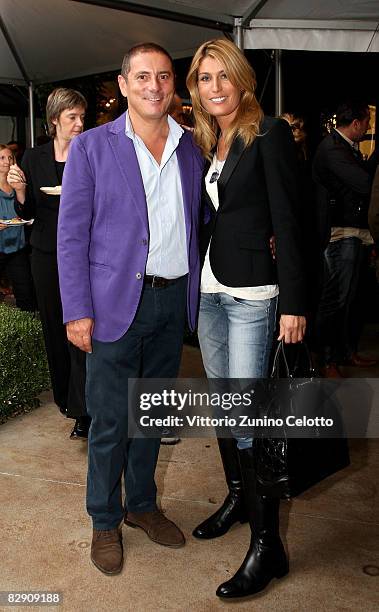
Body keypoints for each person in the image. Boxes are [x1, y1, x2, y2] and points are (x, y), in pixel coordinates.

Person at [57, 43, 203, 576]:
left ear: (173, 85)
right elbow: (70, 237)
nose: (154, 86)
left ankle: (142, 505)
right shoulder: (93, 148)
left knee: (154, 416)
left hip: (172, 301)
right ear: (122, 85)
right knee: (111, 420)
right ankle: (104, 518)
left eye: (164, 76)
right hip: (113, 305)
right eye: (142, 76)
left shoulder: (192, 147)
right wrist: (77, 310)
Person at [186, 39, 306, 599]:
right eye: (204, 79)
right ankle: (238, 498)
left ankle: (268, 546)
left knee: (254, 419)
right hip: (211, 290)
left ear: (241, 80)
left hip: (253, 297)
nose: (214, 88)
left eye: (222, 77)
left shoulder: (269, 133)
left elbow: (292, 216)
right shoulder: (210, 139)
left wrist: (295, 302)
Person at [7, 88, 90, 439]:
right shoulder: (34, 158)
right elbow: (25, 214)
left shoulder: (89, 153)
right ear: (55, 120)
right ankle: (66, 401)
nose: (80, 123)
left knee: (83, 332)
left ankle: (85, 409)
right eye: (72, 117)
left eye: (82, 117)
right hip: (45, 255)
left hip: (83, 255)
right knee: (54, 330)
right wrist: (21, 193)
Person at [313, 100, 378, 376]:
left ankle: (346, 352)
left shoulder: (346, 148)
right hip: (341, 234)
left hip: (356, 232)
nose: (368, 128)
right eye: (366, 123)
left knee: (353, 299)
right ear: (355, 124)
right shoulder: (331, 149)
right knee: (336, 300)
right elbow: (364, 184)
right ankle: (327, 360)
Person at [0, 145, 35, 311]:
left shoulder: (19, 184)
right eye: (2, 158)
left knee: (25, 292)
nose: (7, 161)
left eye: (10, 158)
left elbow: (28, 210)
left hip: (17, 246)